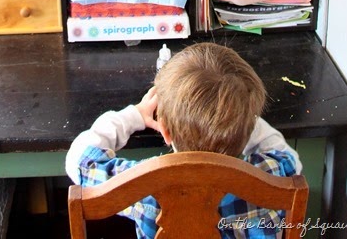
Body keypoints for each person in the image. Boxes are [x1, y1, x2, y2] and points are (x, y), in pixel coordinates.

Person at [65, 42, 302, 238]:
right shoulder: (270, 175)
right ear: (250, 127)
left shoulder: (143, 184)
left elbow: (79, 159)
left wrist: (134, 115)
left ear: (164, 131)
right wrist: (241, 117)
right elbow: (288, 157)